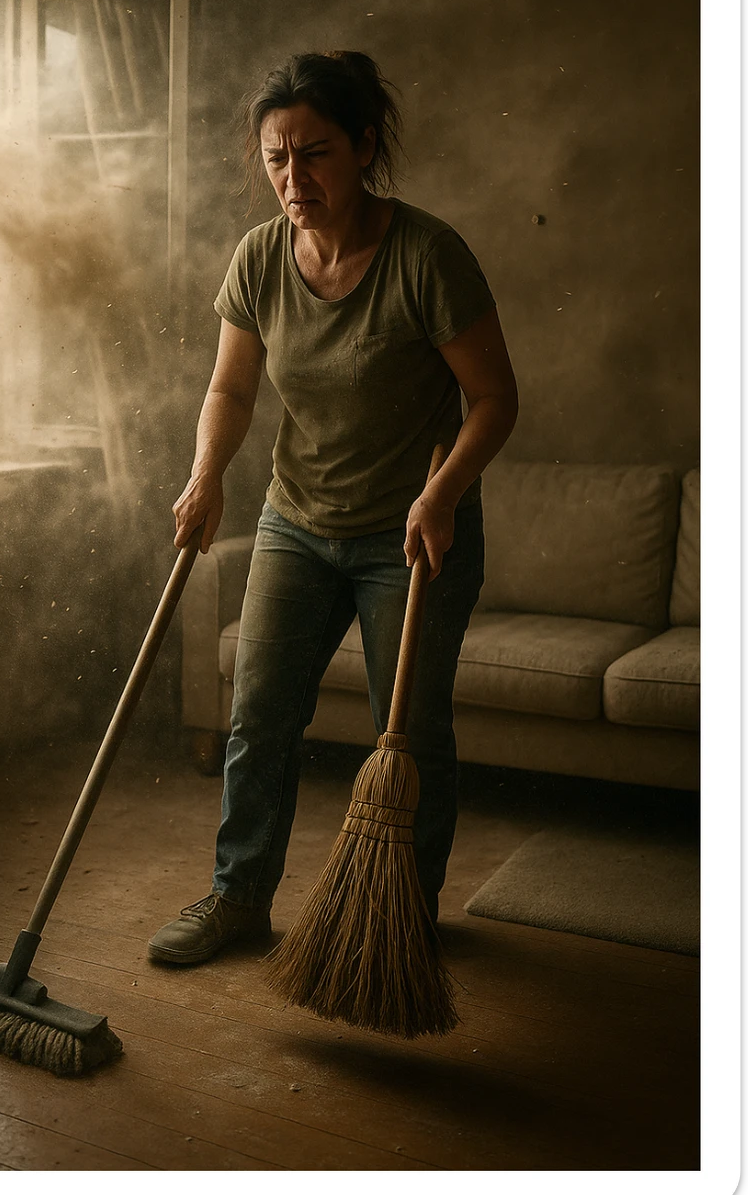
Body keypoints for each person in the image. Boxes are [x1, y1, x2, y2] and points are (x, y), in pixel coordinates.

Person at [147, 50, 519, 966]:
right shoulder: (262, 257)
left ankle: (404, 919)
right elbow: (231, 391)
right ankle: (238, 899)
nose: (292, 177)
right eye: (276, 157)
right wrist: (206, 475)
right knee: (259, 717)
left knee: (411, 736)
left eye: (312, 153)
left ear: (362, 147)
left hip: (411, 531)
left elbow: (495, 399)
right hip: (296, 522)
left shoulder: (427, 254)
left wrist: (442, 494)